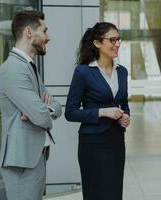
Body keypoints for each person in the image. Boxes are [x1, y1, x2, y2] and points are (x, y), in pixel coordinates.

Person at [0, 11, 62, 200]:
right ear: (29, 32)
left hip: (34, 157)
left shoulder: (28, 66)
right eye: (44, 30)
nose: (48, 37)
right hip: (22, 161)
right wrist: (40, 110)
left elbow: (56, 107)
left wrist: (41, 109)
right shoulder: (13, 69)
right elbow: (41, 116)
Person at [65, 22, 130, 200]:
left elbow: (124, 104)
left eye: (118, 39)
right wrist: (102, 112)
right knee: (95, 193)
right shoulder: (83, 72)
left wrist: (126, 117)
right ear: (97, 43)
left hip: (116, 141)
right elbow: (70, 112)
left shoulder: (122, 72)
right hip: (92, 143)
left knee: (114, 192)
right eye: (112, 39)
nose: (117, 44)